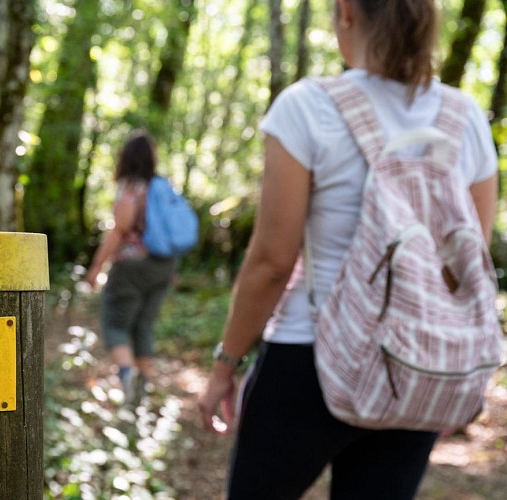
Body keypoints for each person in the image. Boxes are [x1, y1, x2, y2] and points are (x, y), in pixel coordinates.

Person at [197, 0, 498, 498]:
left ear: (347, 10)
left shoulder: (308, 107)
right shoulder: (464, 116)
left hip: (308, 358)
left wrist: (224, 365)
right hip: (415, 363)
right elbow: (468, 262)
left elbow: (272, 262)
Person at [86, 131, 176, 406]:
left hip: (132, 265)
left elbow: (119, 230)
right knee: (144, 325)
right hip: (164, 264)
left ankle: (128, 379)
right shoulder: (164, 187)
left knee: (115, 322)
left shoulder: (130, 187)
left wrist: (96, 266)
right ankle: (143, 393)